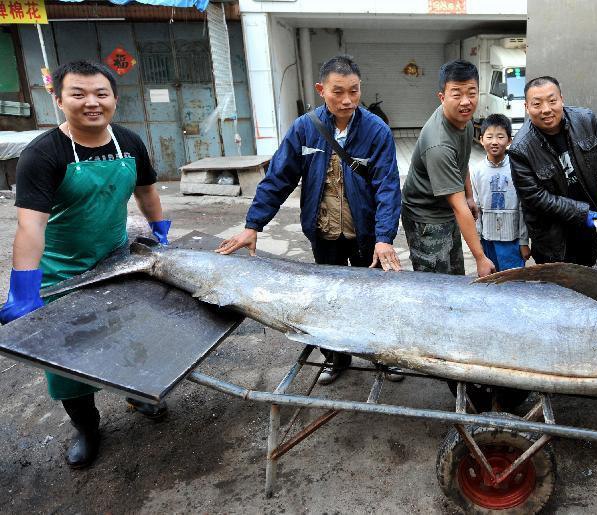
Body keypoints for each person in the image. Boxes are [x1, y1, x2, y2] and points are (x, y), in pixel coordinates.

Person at [0, 60, 172, 469]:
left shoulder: (130, 141)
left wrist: (160, 229)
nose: (91, 103)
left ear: (114, 98)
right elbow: (30, 226)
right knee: (67, 360)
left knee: (131, 335)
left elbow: (146, 190)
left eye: (101, 94)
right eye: (78, 94)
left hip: (116, 259)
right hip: (62, 271)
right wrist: (24, 288)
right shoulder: (43, 154)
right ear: (58, 99)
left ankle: (137, 394)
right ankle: (87, 427)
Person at [215, 55, 403, 385]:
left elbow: (388, 187)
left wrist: (384, 237)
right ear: (321, 90)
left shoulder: (376, 131)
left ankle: (382, 358)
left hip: (366, 236)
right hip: (324, 233)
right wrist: (252, 225)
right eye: (338, 92)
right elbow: (277, 179)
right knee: (328, 299)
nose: (347, 100)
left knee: (373, 299)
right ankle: (337, 358)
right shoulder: (305, 129)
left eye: (355, 91)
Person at [507, 76, 597, 266]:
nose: (546, 109)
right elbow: (535, 197)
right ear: (527, 107)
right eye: (537, 104)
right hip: (554, 240)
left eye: (552, 101)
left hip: (595, 229)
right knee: (560, 290)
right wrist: (581, 214)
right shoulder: (520, 149)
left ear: (562, 99)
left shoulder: (585, 120)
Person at [400, 59, 496, 278]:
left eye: (471, 93)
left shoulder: (465, 121)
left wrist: (470, 195)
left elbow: (462, 163)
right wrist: (480, 258)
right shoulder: (438, 144)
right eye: (456, 94)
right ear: (442, 97)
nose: (465, 102)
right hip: (426, 216)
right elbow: (459, 207)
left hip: (446, 209)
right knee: (436, 282)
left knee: (454, 273)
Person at [470, 113, 530, 271]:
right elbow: (475, 208)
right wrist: (478, 244)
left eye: (500, 137)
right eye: (489, 137)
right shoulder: (476, 171)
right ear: (481, 139)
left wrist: (524, 242)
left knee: (513, 285)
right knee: (490, 283)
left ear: (509, 140)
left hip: (513, 241)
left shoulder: (517, 168)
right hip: (487, 240)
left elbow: (523, 207)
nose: (495, 142)